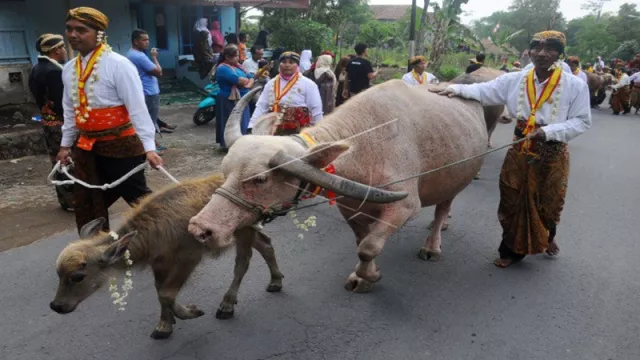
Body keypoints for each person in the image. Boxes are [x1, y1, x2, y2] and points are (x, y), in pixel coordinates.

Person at [431, 30, 591, 268]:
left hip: (552, 151)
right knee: (510, 198)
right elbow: (484, 91)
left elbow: (582, 121)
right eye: (536, 47)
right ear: (529, 51)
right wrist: (454, 90)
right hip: (519, 149)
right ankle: (511, 250)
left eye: (549, 48)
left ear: (559, 53)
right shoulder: (516, 79)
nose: (541, 53)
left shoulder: (575, 85)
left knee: (547, 203)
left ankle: (547, 237)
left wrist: (548, 132)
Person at [57, 7, 163, 234]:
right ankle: (95, 247)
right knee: (87, 200)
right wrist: (65, 145)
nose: (73, 34)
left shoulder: (119, 65)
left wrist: (150, 148)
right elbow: (69, 110)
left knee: (137, 197)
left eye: (81, 30)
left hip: (121, 145)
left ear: (98, 34)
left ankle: (167, 237)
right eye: (69, 29)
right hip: (86, 147)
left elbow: (138, 110)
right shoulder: (68, 69)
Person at [28, 33, 75, 212]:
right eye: (62, 48)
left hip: (48, 123)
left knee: (57, 161)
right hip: (60, 124)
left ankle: (65, 200)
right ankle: (73, 200)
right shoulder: (54, 72)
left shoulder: (36, 68)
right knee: (67, 160)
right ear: (56, 50)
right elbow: (60, 102)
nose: (64, 51)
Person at [248, 51, 323, 136]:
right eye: (283, 62)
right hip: (272, 132)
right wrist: (252, 126)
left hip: (299, 135)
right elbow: (261, 107)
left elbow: (316, 110)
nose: (287, 65)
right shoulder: (271, 83)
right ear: (279, 64)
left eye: (291, 62)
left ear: (297, 65)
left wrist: (317, 132)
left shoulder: (308, 84)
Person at [127, 28, 176, 155]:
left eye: (148, 39)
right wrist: (154, 58)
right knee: (150, 121)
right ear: (135, 41)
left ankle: (151, 143)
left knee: (148, 119)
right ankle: (151, 146)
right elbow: (159, 72)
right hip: (149, 92)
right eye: (144, 40)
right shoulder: (138, 56)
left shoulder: (133, 54)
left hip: (145, 91)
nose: (147, 42)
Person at [214, 45, 254, 151]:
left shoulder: (238, 66)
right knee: (229, 121)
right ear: (227, 56)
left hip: (242, 97)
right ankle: (228, 143)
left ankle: (241, 142)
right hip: (228, 98)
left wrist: (248, 82)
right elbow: (238, 80)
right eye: (236, 56)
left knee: (243, 120)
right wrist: (247, 81)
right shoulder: (222, 68)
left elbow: (250, 78)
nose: (238, 58)